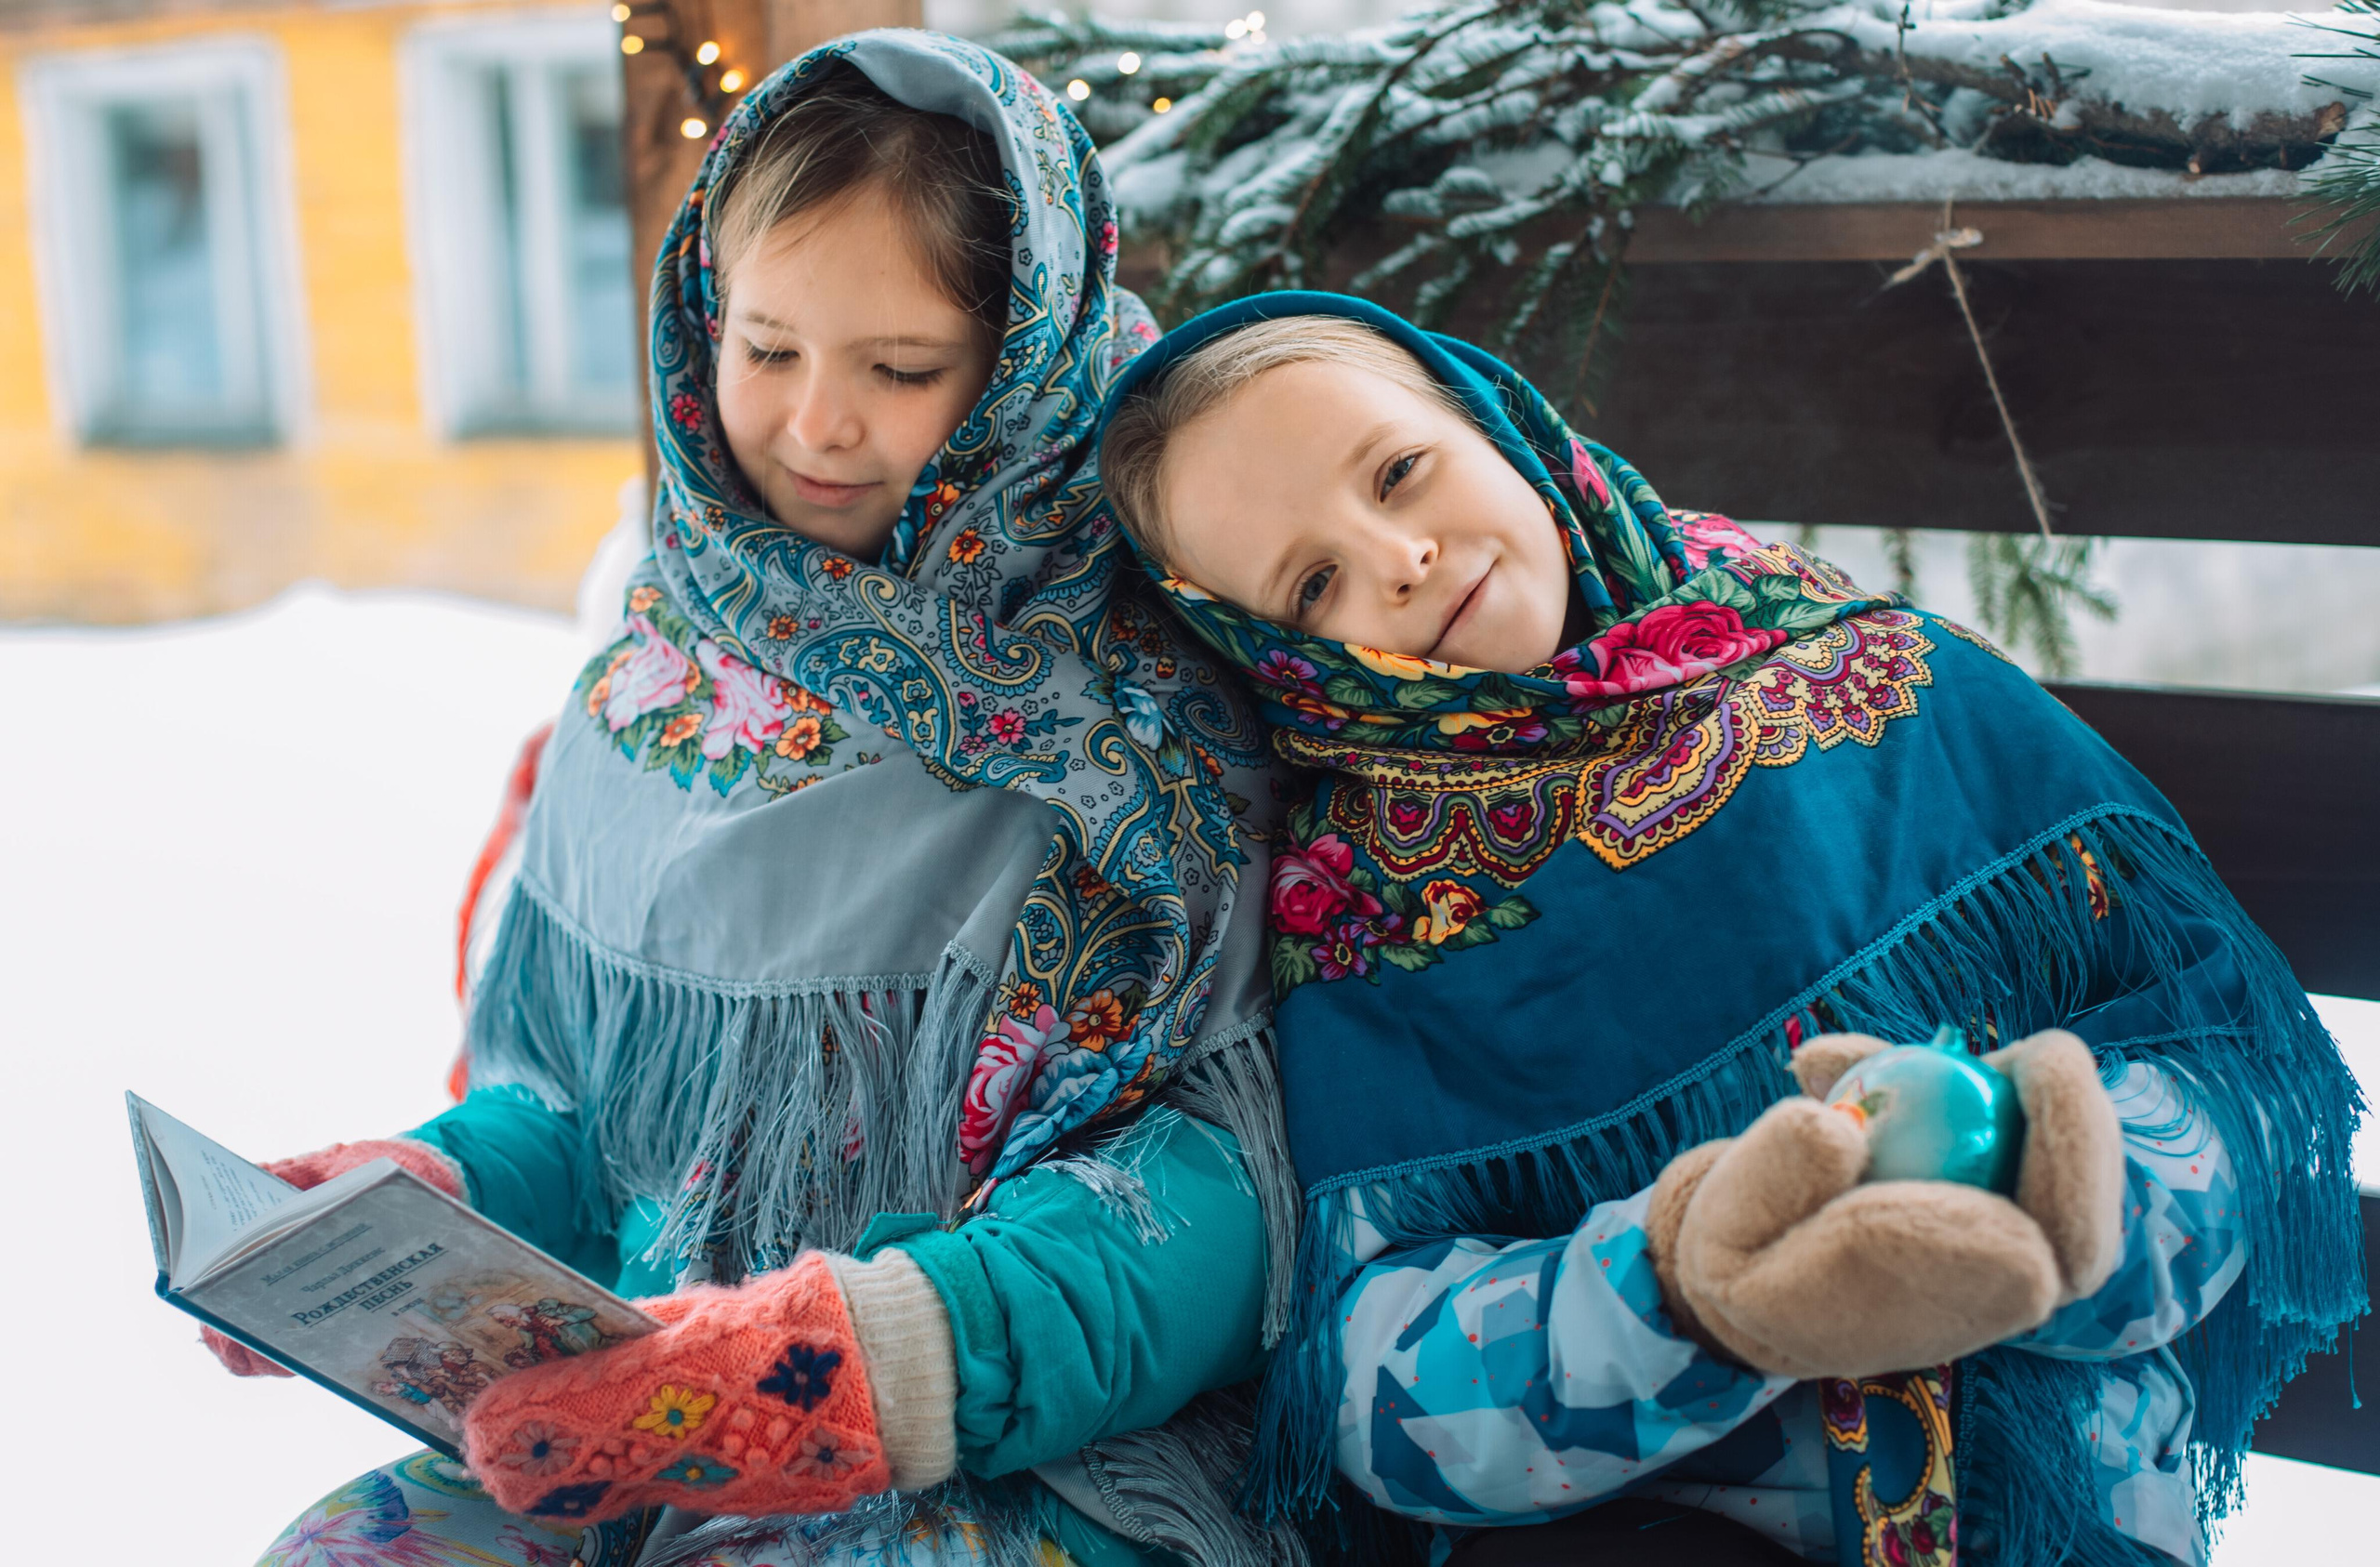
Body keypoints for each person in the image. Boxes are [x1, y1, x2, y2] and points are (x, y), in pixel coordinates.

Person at [236, 34, 1302, 1567]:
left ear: (1028, 357)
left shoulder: (1154, 703)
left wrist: (868, 1364)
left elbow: (1217, 1199)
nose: (817, 425)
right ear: (699, 323)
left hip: (1014, 1438)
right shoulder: (658, 674)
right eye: (767, 346)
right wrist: (444, 1189)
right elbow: (600, 1127)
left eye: (901, 368)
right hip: (643, 1409)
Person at [1093, 292, 2366, 1565]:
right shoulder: (1370, 916)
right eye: (1312, 583)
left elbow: (2247, 1087)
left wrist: (2066, 1187)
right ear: (1268, 655)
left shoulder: (1890, 683)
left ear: (1492, 423)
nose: (1397, 558)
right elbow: (1374, 1389)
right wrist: (1687, 1293)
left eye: (1400, 471)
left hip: (2059, 1511)